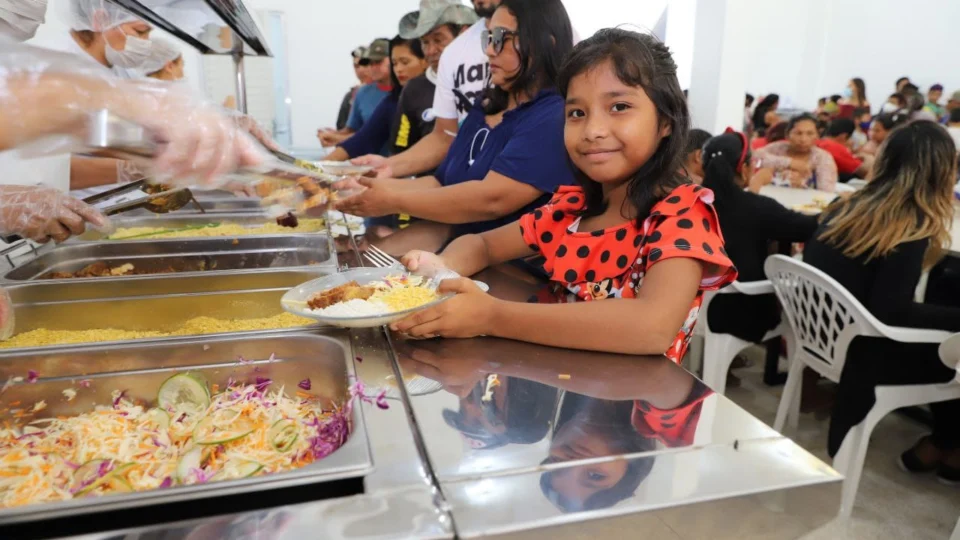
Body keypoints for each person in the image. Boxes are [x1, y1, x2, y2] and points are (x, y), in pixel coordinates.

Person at [390, 28, 737, 362]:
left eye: (619, 107)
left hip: (633, 414)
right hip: (559, 399)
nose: (593, 131)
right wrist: (444, 268)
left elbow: (651, 328)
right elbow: (481, 245)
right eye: (577, 113)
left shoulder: (680, 214)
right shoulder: (569, 212)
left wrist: (492, 316)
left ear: (666, 122)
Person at [335, 0, 576, 239]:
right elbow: (443, 182)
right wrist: (367, 187)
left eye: (502, 38)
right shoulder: (485, 105)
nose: (490, 50)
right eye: (489, 38)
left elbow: (491, 200)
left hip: (511, 269)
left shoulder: (553, 115)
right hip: (459, 252)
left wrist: (393, 200)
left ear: (544, 43)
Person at [802, 121, 960, 482]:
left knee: (948, 295)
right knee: (954, 347)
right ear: (941, 171)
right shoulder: (909, 224)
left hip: (825, 336)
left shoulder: (851, 204)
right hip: (863, 351)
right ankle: (947, 442)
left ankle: (941, 443)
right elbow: (890, 311)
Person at [353, 1, 502, 179]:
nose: (430, 50)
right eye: (424, 42)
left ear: (462, 29)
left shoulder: (534, 38)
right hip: (465, 186)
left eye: (438, 39)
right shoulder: (451, 55)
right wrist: (388, 166)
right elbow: (444, 136)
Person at [700, 130, 817, 344]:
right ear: (744, 169)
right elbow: (808, 228)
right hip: (741, 315)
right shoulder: (756, 208)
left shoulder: (691, 202)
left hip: (690, 309)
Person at [323, 36, 428, 162]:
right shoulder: (391, 101)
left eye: (405, 62)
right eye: (395, 63)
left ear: (425, 61)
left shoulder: (442, 96)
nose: (398, 69)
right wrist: (316, 167)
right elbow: (364, 138)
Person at [318, 38, 392, 148]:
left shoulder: (406, 91)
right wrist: (332, 136)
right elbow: (351, 129)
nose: (373, 67)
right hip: (362, 161)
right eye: (370, 63)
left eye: (378, 62)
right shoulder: (361, 93)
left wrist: (337, 138)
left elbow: (375, 134)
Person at [754, 113, 838, 192]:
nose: (803, 139)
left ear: (817, 136)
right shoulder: (777, 148)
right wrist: (789, 163)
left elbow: (826, 191)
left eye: (810, 134)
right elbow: (756, 160)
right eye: (798, 133)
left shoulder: (822, 157)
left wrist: (802, 185)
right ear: (787, 135)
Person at [335, 47, 371, 131]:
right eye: (356, 66)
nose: (361, 70)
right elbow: (340, 127)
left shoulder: (387, 93)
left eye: (365, 64)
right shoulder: (350, 97)